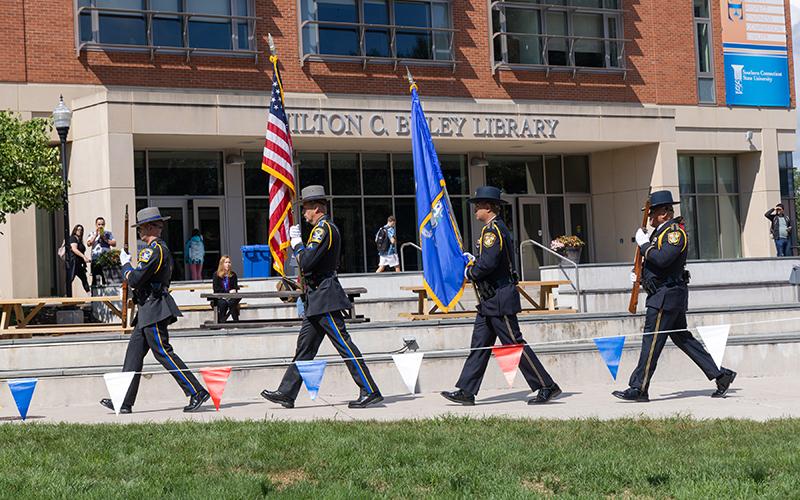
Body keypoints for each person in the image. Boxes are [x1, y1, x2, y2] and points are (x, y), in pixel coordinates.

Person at [261, 185, 383, 409]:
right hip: (316, 298)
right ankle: (287, 392)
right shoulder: (322, 228)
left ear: (316, 208)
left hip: (325, 297)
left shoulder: (322, 229)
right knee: (304, 348)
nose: (304, 213)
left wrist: (297, 245)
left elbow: (306, 262)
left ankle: (370, 389)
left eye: (306, 208)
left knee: (344, 345)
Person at [441, 186, 561, 406]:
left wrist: (470, 272)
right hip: (490, 300)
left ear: (488, 206)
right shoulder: (493, 229)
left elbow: (489, 263)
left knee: (514, 344)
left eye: (478, 205)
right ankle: (466, 390)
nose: (475, 209)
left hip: (499, 298)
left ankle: (547, 385)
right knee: (479, 346)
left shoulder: (492, 231)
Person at [613, 190, 737, 402]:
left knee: (651, 342)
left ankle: (639, 388)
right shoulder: (658, 233)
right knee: (684, 340)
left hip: (666, 297)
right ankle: (721, 375)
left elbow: (663, 260)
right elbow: (657, 267)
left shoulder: (674, 233)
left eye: (652, 213)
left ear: (664, 213)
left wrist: (643, 245)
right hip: (665, 294)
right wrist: (640, 276)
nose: (650, 217)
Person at [100, 207, 209, 414]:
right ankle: (123, 400)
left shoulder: (154, 250)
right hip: (146, 309)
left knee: (163, 352)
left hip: (154, 308)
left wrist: (125, 265)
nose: (139, 232)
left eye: (141, 228)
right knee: (133, 355)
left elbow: (135, 279)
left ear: (150, 227)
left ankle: (196, 391)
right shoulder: (157, 249)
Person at [86, 217, 116, 286]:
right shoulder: (92, 233)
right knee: (96, 279)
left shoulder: (108, 233)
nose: (100, 226)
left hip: (106, 259)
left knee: (106, 278)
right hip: (96, 259)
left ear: (104, 225)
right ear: (96, 225)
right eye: (99, 224)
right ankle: (96, 295)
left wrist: (104, 239)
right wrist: (96, 235)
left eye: (102, 224)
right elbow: (88, 244)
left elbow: (114, 244)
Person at [212, 255, 241, 323]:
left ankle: (236, 323)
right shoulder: (216, 275)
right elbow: (216, 289)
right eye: (226, 262)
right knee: (223, 304)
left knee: (232, 303)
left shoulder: (233, 275)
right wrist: (228, 291)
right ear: (222, 264)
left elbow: (235, 287)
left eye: (229, 262)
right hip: (220, 297)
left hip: (231, 296)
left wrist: (234, 290)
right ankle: (222, 323)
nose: (228, 264)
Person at [67, 224, 91, 293]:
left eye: (81, 230)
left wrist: (85, 259)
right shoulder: (73, 238)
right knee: (70, 279)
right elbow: (74, 249)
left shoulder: (79, 240)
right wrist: (84, 257)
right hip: (73, 263)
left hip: (79, 264)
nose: (79, 231)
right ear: (75, 230)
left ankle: (90, 296)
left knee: (84, 279)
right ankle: (66, 296)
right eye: (78, 229)